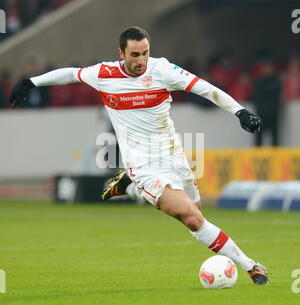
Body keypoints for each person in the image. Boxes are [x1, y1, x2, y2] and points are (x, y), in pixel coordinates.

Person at [10, 26, 268, 285]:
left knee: (196, 212)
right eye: (135, 54)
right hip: (141, 163)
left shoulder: (162, 70)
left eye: (145, 53)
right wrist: (31, 82)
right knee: (191, 217)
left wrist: (239, 111)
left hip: (172, 155)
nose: (141, 60)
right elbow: (70, 74)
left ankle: (132, 187)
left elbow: (204, 88)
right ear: (121, 53)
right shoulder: (104, 74)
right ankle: (251, 266)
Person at [253, 59, 282, 146]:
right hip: (260, 113)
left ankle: (275, 155)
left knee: (274, 136)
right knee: (258, 137)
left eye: (269, 68)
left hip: (273, 114)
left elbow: (275, 90)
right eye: (265, 68)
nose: (267, 70)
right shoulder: (258, 82)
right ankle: (257, 155)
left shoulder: (276, 82)